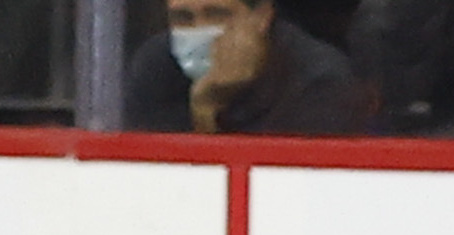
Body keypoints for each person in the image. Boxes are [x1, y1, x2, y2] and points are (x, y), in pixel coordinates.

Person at [126, 0, 373, 135]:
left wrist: (208, 109)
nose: (199, 30)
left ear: (262, 17)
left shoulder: (322, 83)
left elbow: (281, 190)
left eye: (216, 14)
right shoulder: (156, 64)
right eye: (183, 18)